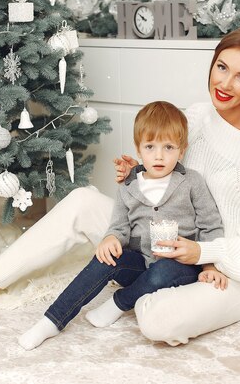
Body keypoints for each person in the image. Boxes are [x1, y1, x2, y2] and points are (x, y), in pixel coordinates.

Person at [0, 27, 240, 347]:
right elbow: (171, 177)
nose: (225, 83)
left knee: (157, 322)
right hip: (167, 246)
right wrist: (139, 175)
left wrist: (205, 254)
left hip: (230, 274)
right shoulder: (196, 117)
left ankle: (142, 293)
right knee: (82, 201)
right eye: (221, 67)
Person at [17, 101, 225, 350]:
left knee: (162, 271)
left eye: (168, 147)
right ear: (139, 150)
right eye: (150, 147)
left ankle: (119, 302)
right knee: (106, 260)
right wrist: (110, 239)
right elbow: (119, 227)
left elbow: (211, 226)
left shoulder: (192, 182)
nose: (159, 155)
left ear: (181, 151)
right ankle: (52, 320)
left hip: (181, 268)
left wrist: (210, 265)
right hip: (142, 265)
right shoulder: (129, 186)